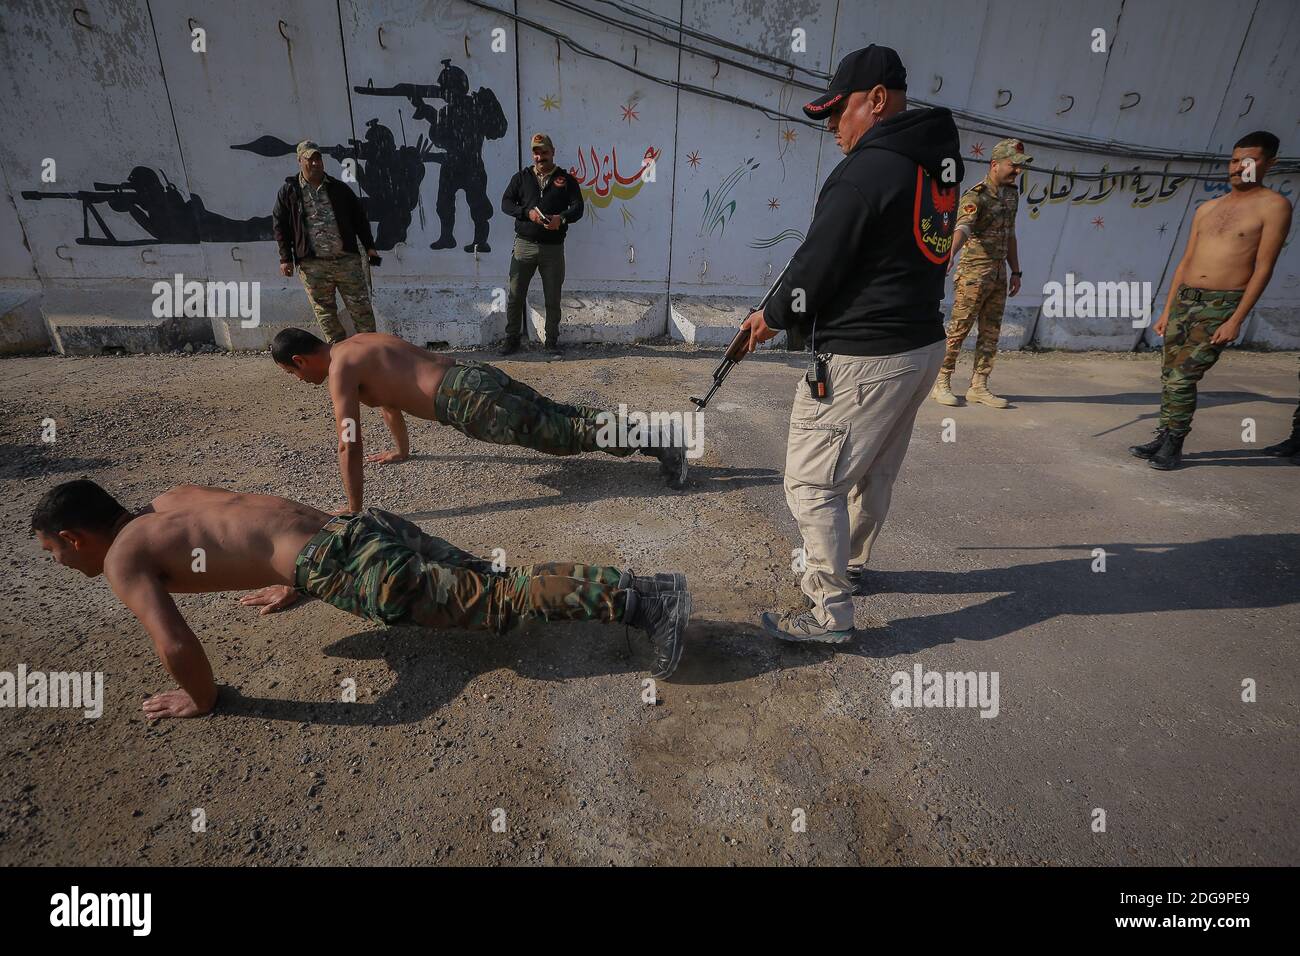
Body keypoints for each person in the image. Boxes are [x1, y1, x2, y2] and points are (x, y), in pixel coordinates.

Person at [31, 480, 691, 718]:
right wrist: (295, 578)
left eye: (52, 551)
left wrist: (200, 699)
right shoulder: (170, 502)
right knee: (496, 585)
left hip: (344, 560)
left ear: (74, 536)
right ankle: (641, 592)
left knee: (501, 599)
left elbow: (174, 643)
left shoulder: (122, 557)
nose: (56, 562)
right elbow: (253, 525)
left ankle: (650, 600)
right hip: (354, 527)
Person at [736, 45, 964, 643]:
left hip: (866, 354)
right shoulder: (936, 165)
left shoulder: (869, 168)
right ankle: (852, 564)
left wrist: (772, 315)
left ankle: (829, 614)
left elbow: (816, 264)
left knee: (813, 483)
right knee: (872, 469)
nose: (834, 128)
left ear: (877, 101)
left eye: (840, 114)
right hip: (920, 347)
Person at [270, 327, 688, 511]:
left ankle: (659, 440)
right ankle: (653, 433)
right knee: (561, 413)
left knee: (563, 433)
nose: (299, 379)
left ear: (300, 359)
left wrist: (353, 506)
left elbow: (348, 439)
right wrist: (401, 451)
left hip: (465, 400)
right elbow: (387, 401)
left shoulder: (339, 371)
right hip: (471, 373)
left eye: (293, 373)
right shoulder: (357, 344)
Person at [1129, 130, 1292, 471]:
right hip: (1185, 300)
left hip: (1221, 303)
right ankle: (1164, 433)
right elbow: (1185, 262)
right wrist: (1168, 308)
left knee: (1184, 377)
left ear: (1269, 163)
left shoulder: (1274, 206)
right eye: (1234, 160)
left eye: (1248, 161)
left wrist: (1236, 319)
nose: (1238, 167)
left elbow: (1264, 268)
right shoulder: (1207, 208)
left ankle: (1174, 443)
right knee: (1169, 373)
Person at [932, 138, 1031, 409]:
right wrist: (949, 255)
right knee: (958, 329)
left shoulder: (1012, 194)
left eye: (1020, 167)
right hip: (974, 274)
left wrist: (1016, 271)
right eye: (1013, 166)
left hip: (999, 274)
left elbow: (1010, 233)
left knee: (991, 332)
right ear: (995, 164)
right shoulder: (976, 195)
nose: (1017, 172)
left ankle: (979, 386)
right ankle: (942, 381)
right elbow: (962, 227)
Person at [273, 140, 382, 343]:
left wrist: (370, 248)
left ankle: (371, 353)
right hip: (312, 266)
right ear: (300, 161)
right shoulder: (289, 191)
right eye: (310, 159)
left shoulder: (339, 189)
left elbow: (359, 219)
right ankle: (340, 357)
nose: (315, 163)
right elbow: (280, 225)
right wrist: (285, 258)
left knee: (362, 310)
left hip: (346, 262)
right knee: (326, 315)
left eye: (318, 158)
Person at [499, 133, 584, 355]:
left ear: (552, 152)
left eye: (544, 152)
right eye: (536, 152)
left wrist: (561, 219)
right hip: (524, 246)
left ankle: (551, 342)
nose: (540, 157)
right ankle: (512, 339)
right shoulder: (521, 177)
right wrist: (526, 213)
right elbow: (506, 203)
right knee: (515, 295)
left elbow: (578, 208)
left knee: (552, 298)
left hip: (553, 250)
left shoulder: (566, 180)